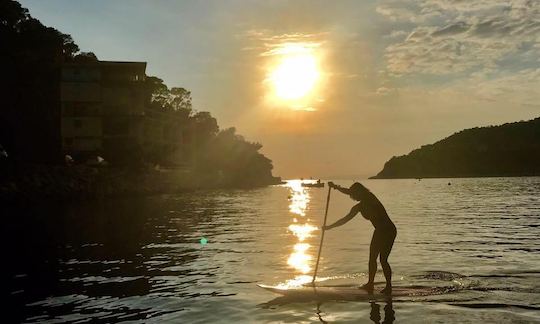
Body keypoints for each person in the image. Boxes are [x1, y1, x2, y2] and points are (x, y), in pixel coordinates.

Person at [323, 182, 397, 294]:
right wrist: (329, 227)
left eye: (354, 194)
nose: (352, 197)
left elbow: (349, 191)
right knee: (372, 259)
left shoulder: (370, 197)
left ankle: (389, 287)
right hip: (379, 231)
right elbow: (345, 219)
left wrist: (337, 188)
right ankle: (370, 283)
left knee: (383, 259)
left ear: (360, 192)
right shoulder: (358, 207)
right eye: (352, 194)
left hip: (388, 230)